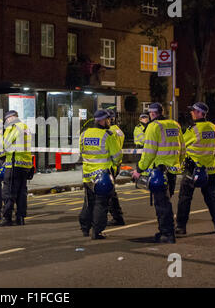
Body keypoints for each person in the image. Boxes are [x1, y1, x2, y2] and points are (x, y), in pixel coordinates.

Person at [132, 103, 185, 244]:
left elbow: (149, 152)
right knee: (166, 202)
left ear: (152, 114)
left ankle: (167, 234)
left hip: (159, 171)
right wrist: (179, 164)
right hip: (172, 170)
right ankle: (165, 231)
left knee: (162, 204)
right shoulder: (175, 125)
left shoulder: (153, 127)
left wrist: (139, 169)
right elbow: (183, 147)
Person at [175, 102, 215, 235]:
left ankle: (181, 227)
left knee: (185, 197)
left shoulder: (194, 129)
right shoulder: (212, 127)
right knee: (212, 198)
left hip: (193, 169)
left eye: (193, 111)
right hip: (210, 169)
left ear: (198, 113)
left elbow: (181, 144)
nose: (191, 113)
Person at [79, 109, 122, 239]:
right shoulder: (107, 135)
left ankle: (85, 228)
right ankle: (97, 232)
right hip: (102, 175)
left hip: (87, 175)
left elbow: (82, 152)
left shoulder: (84, 134)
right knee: (101, 203)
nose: (110, 121)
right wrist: (116, 165)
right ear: (103, 120)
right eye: (108, 119)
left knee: (88, 202)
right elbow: (117, 156)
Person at [0, 111, 33, 227]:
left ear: (10, 118)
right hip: (25, 165)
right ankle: (20, 217)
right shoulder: (25, 127)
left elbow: (4, 145)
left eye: (6, 120)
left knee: (8, 192)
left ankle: (7, 218)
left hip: (13, 164)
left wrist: (0, 133)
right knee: (21, 193)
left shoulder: (14, 127)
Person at [106, 109, 125, 226]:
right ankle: (117, 216)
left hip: (110, 165)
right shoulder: (119, 131)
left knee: (109, 192)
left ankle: (117, 217)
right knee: (110, 192)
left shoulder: (110, 132)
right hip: (116, 164)